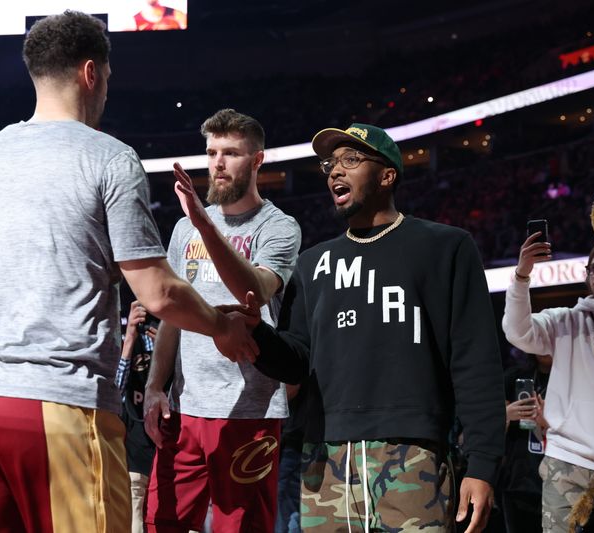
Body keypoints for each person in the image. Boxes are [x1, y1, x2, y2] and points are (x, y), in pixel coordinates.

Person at [0, 13, 257, 533]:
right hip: (54, 398)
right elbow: (158, 291)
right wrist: (223, 327)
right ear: (91, 73)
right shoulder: (108, 157)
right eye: (106, 77)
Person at [240, 122, 506, 532]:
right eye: (330, 163)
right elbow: (295, 361)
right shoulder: (311, 263)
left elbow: (475, 362)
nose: (334, 171)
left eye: (351, 159)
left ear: (387, 175)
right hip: (324, 459)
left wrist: (484, 464)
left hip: (413, 453)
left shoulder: (445, 247)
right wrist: (256, 331)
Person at [143, 108, 302, 532]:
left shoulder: (279, 227)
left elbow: (254, 288)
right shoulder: (184, 230)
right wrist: (155, 386)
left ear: (257, 160)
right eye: (212, 151)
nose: (218, 162)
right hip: (185, 407)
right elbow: (172, 317)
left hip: (250, 411)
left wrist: (206, 227)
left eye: (231, 152)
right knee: (163, 523)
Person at [502, 233, 594, 533]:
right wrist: (521, 276)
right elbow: (518, 332)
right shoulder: (565, 320)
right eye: (593, 268)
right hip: (568, 461)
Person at [116, 300, 160, 533]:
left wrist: (168, 345)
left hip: (167, 448)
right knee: (133, 522)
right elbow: (116, 392)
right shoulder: (133, 338)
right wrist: (130, 336)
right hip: (136, 447)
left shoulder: (174, 330)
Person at [497, 350, 551, 533]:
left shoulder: (572, 382)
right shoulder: (514, 377)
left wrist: (548, 424)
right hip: (518, 481)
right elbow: (486, 429)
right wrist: (506, 414)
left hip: (556, 482)